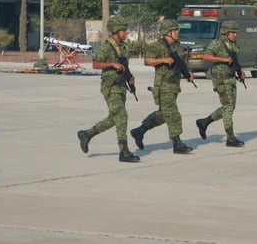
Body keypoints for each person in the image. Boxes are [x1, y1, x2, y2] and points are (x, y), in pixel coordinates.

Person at [77, 16, 140, 162]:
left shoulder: (124, 47)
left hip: (121, 86)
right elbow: (95, 64)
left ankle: (87, 134)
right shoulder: (106, 47)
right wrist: (112, 64)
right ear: (116, 31)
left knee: (115, 118)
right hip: (110, 87)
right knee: (122, 116)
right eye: (123, 30)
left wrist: (129, 77)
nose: (125, 32)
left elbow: (125, 66)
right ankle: (123, 151)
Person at [130, 19, 194, 154]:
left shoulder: (178, 46)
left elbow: (182, 64)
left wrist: (188, 74)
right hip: (163, 85)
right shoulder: (157, 46)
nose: (177, 32)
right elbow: (147, 61)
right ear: (168, 32)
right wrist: (163, 60)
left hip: (174, 85)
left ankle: (139, 131)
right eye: (175, 30)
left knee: (163, 114)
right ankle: (177, 142)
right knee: (173, 114)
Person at [195, 20, 245, 147]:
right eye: (233, 32)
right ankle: (230, 137)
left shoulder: (233, 44)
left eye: (235, 32)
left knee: (230, 107)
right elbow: (206, 56)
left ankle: (205, 122)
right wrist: (222, 59)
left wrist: (240, 71)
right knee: (228, 107)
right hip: (221, 79)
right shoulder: (217, 43)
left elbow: (234, 60)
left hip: (231, 78)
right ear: (225, 32)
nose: (235, 34)